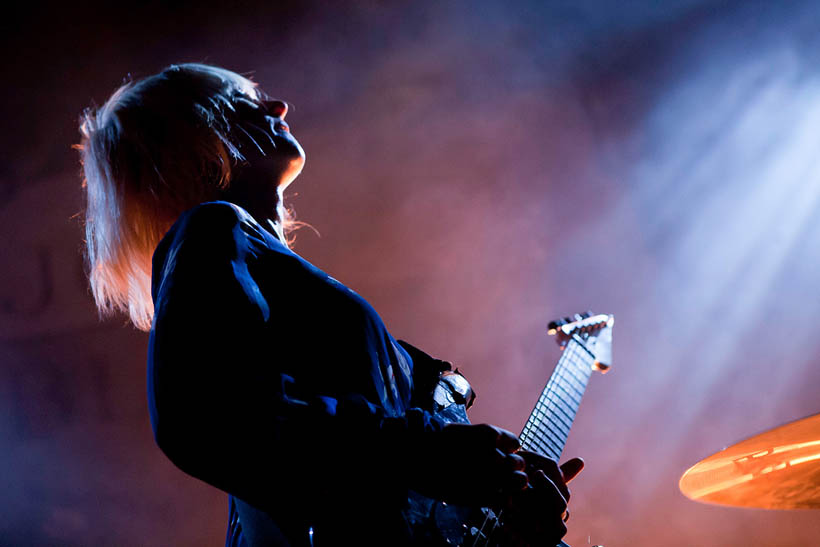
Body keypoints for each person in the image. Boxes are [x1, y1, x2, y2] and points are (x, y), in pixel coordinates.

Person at [78, 63, 583, 546]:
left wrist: (505, 510)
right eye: (241, 103)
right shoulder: (212, 228)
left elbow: (383, 491)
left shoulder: (273, 281)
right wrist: (428, 451)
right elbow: (204, 415)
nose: (278, 105)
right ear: (197, 143)